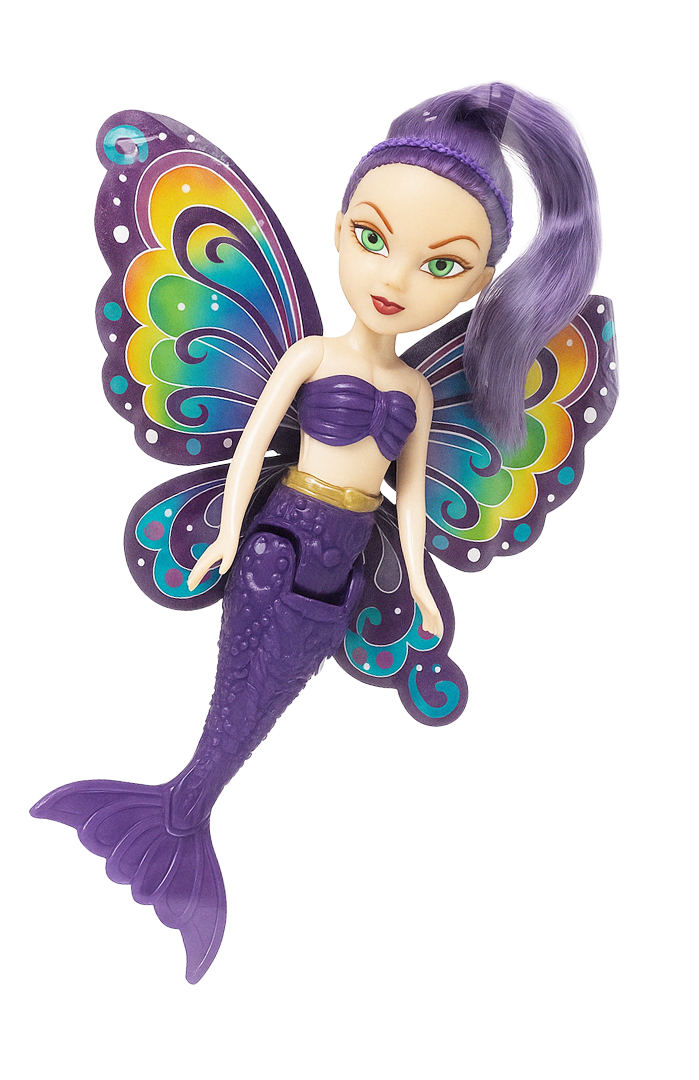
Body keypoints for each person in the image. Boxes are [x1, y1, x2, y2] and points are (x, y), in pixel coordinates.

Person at [31, 81, 604, 983]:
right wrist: (227, 531)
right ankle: (176, 814)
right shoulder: (310, 356)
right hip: (276, 543)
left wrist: (416, 582)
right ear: (337, 229)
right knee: (236, 694)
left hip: (338, 579)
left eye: (441, 266)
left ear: (481, 285)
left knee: (258, 710)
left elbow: (409, 500)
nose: (395, 279)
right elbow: (254, 440)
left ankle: (183, 814)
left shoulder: (416, 392)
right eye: (373, 239)